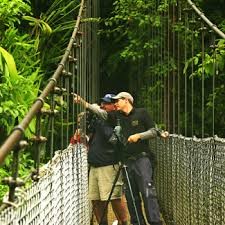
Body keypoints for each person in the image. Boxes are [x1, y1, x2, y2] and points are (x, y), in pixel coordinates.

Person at [73, 91, 169, 225]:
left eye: (117, 101)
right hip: (127, 162)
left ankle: (155, 222)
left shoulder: (142, 113)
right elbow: (101, 113)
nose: (115, 103)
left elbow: (154, 131)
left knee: (147, 193)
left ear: (126, 100)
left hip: (142, 159)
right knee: (131, 197)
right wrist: (83, 102)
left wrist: (139, 136)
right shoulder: (116, 116)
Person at [84, 94, 128, 225]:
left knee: (114, 197)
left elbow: (114, 140)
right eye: (102, 103)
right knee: (96, 199)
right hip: (94, 166)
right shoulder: (98, 120)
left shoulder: (115, 118)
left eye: (106, 103)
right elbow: (87, 132)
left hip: (109, 165)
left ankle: (123, 222)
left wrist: (87, 105)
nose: (103, 105)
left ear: (114, 106)